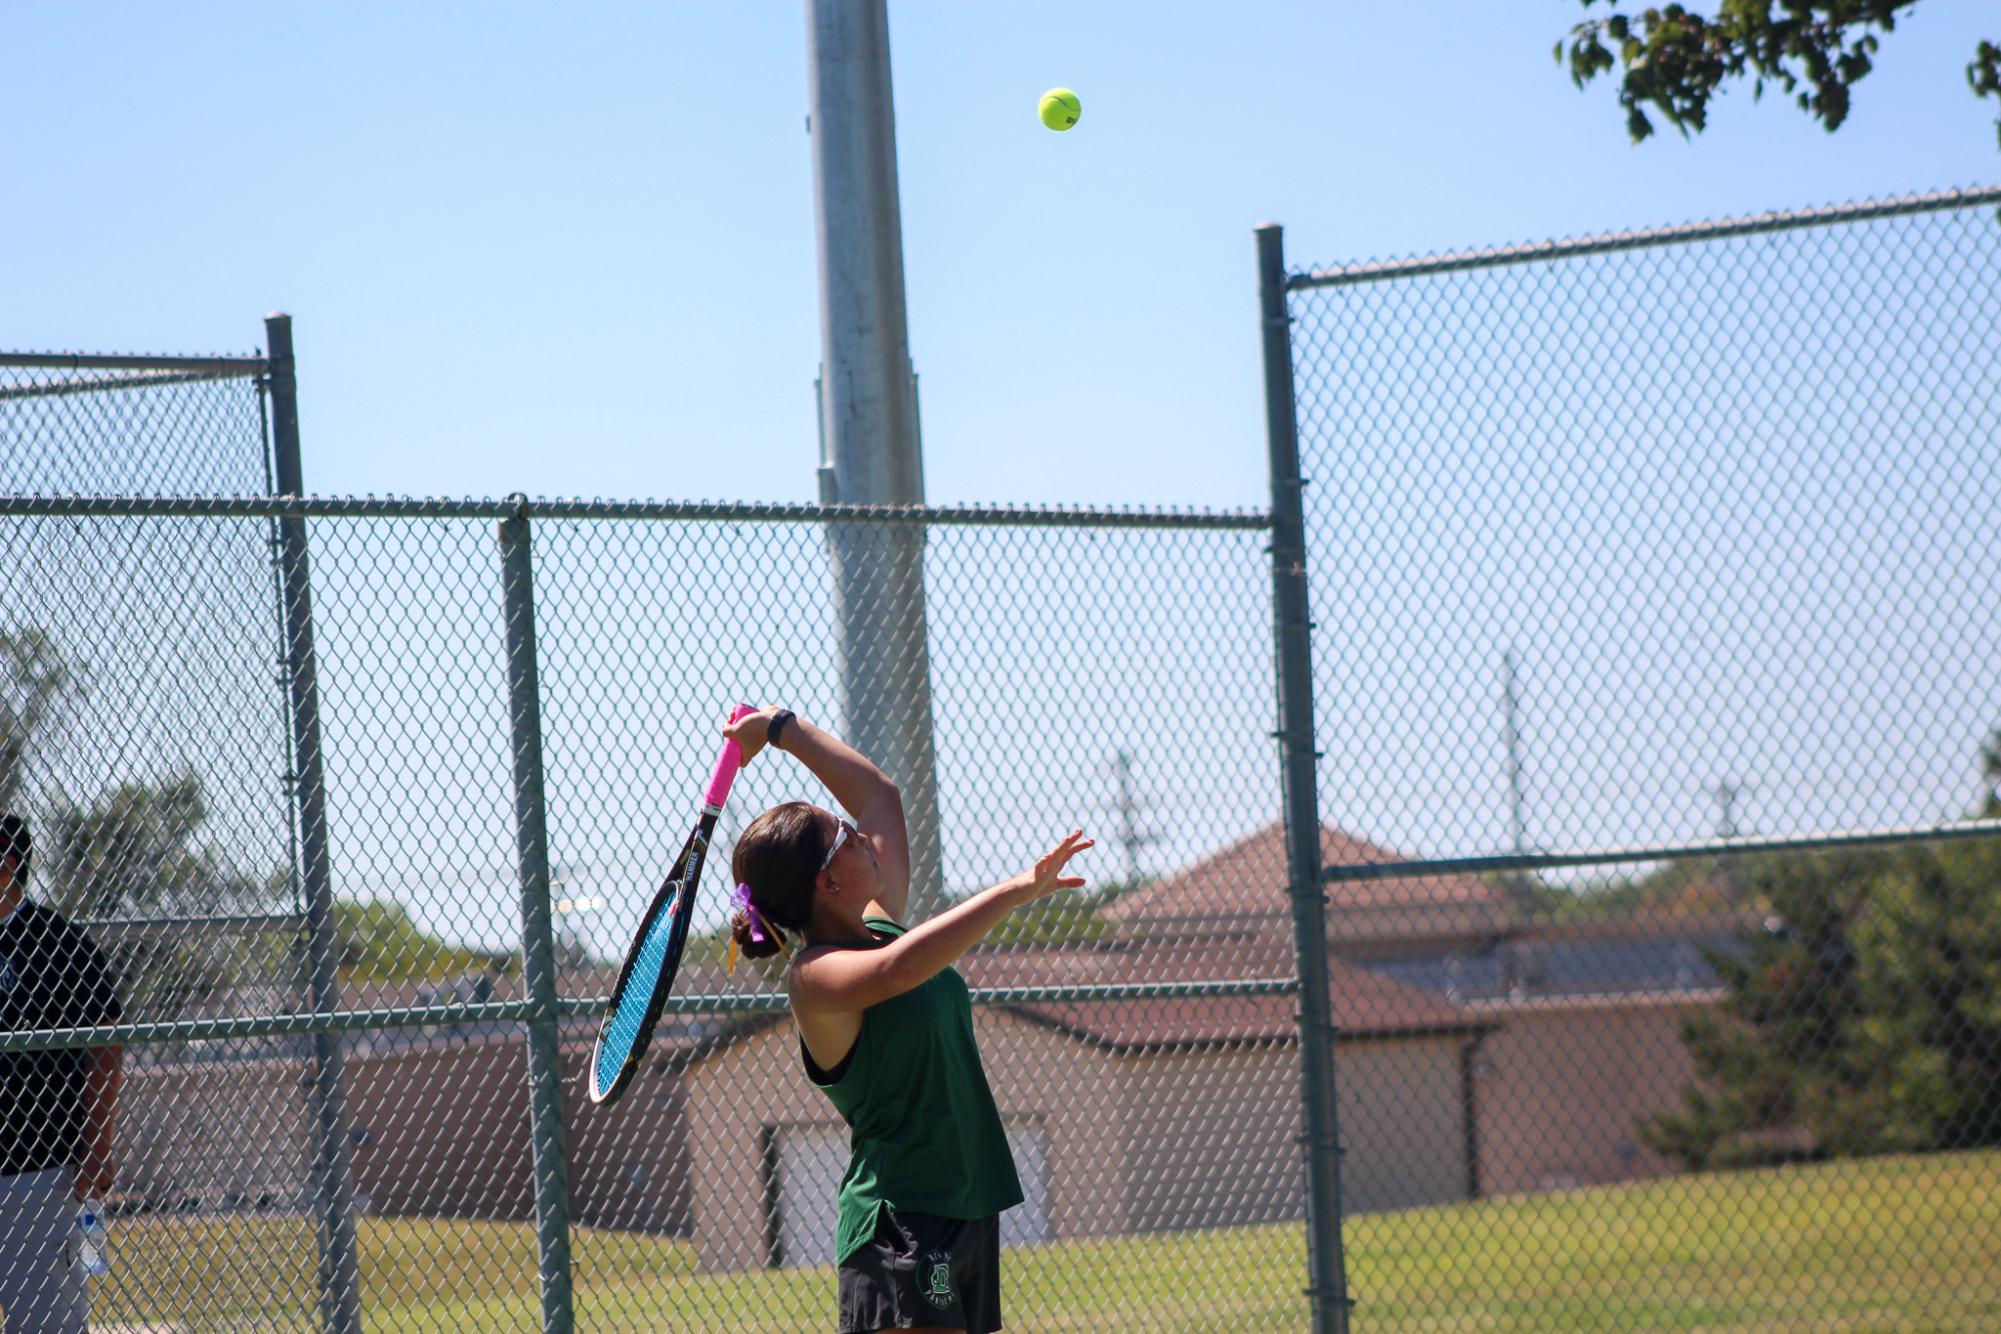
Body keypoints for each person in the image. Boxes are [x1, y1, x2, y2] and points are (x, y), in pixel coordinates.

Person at [722, 708, 1090, 1334]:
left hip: (966, 1206)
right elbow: (897, 972)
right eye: (846, 835)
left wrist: (780, 729)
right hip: (901, 1224)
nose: (862, 835)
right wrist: (1014, 890)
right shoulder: (814, 976)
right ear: (828, 879)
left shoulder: (877, 915)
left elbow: (879, 795)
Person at [0, 814, 123, 1334]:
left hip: (37, 1169)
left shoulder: (61, 946)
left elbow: (107, 1047)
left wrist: (97, 1143)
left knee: (45, 1325)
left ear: (7, 866)